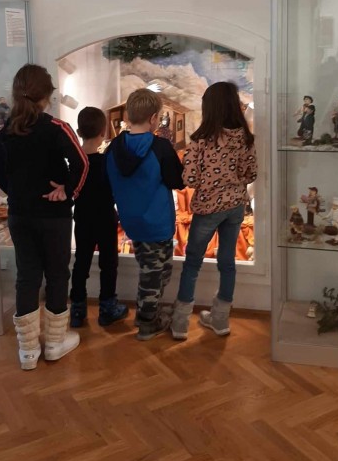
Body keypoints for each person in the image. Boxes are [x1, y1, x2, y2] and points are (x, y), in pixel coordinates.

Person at [0, 64, 89, 370]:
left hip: (19, 215)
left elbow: (2, 179)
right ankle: (55, 343)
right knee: (58, 274)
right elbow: (82, 163)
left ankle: (28, 351)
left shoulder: (4, 133)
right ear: (47, 95)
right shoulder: (57, 127)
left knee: (27, 276)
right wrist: (67, 190)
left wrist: (22, 194)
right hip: (54, 216)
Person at [171, 81, 257, 340]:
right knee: (227, 263)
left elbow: (189, 179)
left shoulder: (200, 140)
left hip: (207, 208)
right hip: (235, 206)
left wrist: (208, 181)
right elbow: (251, 173)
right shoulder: (245, 138)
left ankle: (180, 323)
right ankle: (220, 319)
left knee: (192, 264)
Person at [106, 88, 184, 341]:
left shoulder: (114, 147)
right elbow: (177, 180)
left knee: (153, 269)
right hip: (157, 222)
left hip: (131, 220)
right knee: (153, 275)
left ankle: (149, 313)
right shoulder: (160, 147)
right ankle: (148, 322)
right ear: (153, 118)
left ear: (128, 116)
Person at [69, 106, 128, 329]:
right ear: (103, 132)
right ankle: (107, 308)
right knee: (109, 263)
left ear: (78, 132)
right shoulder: (107, 163)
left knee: (81, 262)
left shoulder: (76, 164)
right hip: (105, 218)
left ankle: (77, 309)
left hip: (83, 218)